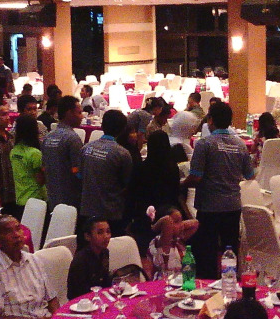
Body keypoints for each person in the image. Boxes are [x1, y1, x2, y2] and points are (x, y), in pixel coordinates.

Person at [183, 102, 254, 278]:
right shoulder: (240, 144)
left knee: (206, 253)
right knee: (230, 252)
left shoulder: (204, 144)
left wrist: (181, 184)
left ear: (210, 120)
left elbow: (196, 177)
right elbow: (249, 175)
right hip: (233, 205)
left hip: (209, 206)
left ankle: (207, 287)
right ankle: (231, 286)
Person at [130, 130, 186, 254]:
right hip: (168, 209)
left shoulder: (141, 168)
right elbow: (175, 192)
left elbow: (133, 193)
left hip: (144, 213)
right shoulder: (172, 168)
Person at [79, 109, 132, 237]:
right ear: (123, 129)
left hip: (87, 208)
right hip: (111, 212)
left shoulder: (86, 148)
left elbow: (79, 175)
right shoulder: (122, 153)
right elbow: (126, 183)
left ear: (102, 126)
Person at [42, 95, 84, 213]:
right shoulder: (72, 138)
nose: (82, 116)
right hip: (70, 199)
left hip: (52, 196)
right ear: (69, 113)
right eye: (79, 112)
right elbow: (77, 170)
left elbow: (44, 167)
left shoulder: (48, 136)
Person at [146, 206, 199, 280]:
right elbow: (167, 220)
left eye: (181, 220)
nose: (181, 225)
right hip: (163, 281)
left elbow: (195, 223)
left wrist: (179, 225)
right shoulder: (162, 242)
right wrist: (154, 227)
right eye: (176, 221)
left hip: (179, 280)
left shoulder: (178, 240)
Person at [66, 217, 113, 299]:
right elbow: (77, 294)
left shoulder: (105, 252)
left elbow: (105, 283)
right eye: (100, 233)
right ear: (87, 236)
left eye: (108, 232)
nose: (106, 236)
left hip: (99, 297)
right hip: (82, 302)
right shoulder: (80, 260)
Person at [10, 115, 46, 206]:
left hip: (20, 197)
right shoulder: (35, 153)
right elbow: (40, 180)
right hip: (35, 199)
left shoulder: (14, 151)